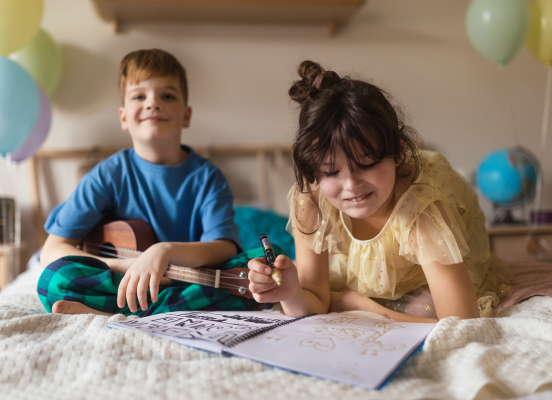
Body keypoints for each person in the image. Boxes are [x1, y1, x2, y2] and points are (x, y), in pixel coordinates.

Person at [247, 60, 511, 323]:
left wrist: (358, 304)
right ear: (313, 172)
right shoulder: (311, 200)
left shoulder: (421, 206)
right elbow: (315, 300)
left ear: (397, 152)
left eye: (367, 164)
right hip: (359, 274)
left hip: (424, 275)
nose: (351, 185)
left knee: (425, 309)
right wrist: (292, 293)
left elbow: (461, 321)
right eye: (330, 172)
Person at [39, 49, 244, 316]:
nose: (153, 103)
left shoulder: (207, 178)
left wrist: (164, 251)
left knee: (257, 268)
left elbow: (224, 246)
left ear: (186, 115)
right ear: (123, 117)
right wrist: (123, 266)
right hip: (121, 283)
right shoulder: (108, 175)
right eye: (139, 96)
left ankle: (114, 313)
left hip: (185, 282)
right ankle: (164, 314)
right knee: (54, 278)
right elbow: (52, 249)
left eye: (167, 96)